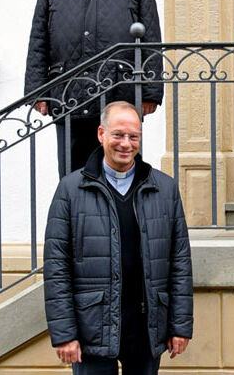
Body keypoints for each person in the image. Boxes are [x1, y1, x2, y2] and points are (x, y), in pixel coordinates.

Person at [43, 101, 193, 374]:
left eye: (133, 136)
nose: (126, 143)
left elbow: (180, 262)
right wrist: (64, 333)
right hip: (92, 328)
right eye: (118, 135)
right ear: (101, 134)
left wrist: (179, 326)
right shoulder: (70, 189)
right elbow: (57, 268)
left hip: (147, 328)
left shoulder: (164, 189)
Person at [25, 0, 164, 177]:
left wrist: (150, 91)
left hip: (121, 95)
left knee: (123, 174)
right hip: (69, 95)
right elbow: (40, 33)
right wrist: (38, 91)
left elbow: (150, 35)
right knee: (74, 179)